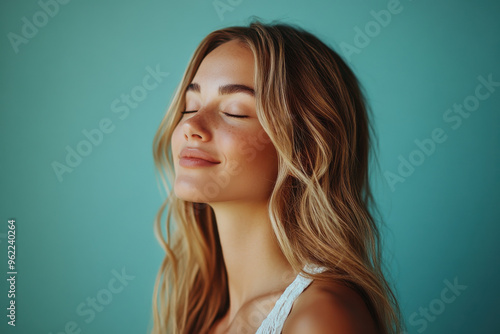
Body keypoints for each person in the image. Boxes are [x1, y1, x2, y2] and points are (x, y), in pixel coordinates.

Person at [150, 18, 403, 334]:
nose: (190, 126)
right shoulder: (200, 318)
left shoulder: (321, 318)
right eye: (189, 107)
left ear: (307, 150)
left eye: (235, 112)